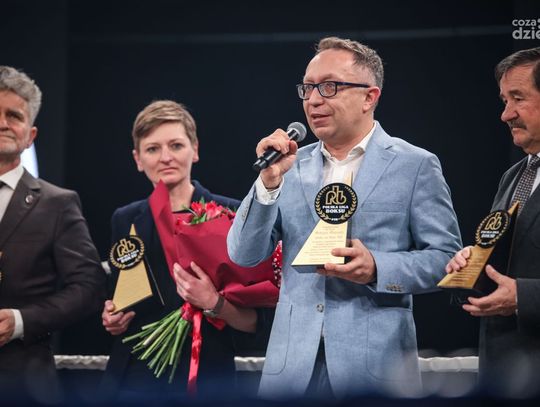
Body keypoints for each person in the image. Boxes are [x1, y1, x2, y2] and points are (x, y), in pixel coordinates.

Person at [227, 36, 462, 398]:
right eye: (307, 88)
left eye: (329, 86)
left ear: (370, 97)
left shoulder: (414, 165)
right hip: (291, 373)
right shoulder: (288, 166)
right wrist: (268, 183)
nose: (314, 99)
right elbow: (243, 254)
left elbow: (447, 259)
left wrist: (377, 268)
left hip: (376, 372)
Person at [101, 100, 271, 400]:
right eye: (152, 149)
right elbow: (121, 296)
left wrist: (214, 303)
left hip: (206, 375)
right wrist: (111, 317)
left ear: (195, 149)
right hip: (134, 378)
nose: (165, 157)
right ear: (138, 159)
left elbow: (259, 319)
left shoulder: (233, 213)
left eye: (176, 145)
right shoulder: (124, 219)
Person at [0, 66, 106, 401]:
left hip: (22, 381)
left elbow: (89, 287)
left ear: (30, 134)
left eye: (14, 115)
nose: (3, 123)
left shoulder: (57, 203)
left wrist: (20, 321)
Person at [445, 47, 540, 397]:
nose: (506, 114)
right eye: (504, 100)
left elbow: (519, 288)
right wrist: (472, 267)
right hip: (503, 373)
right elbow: (507, 258)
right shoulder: (514, 175)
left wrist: (524, 297)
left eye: (518, 98)